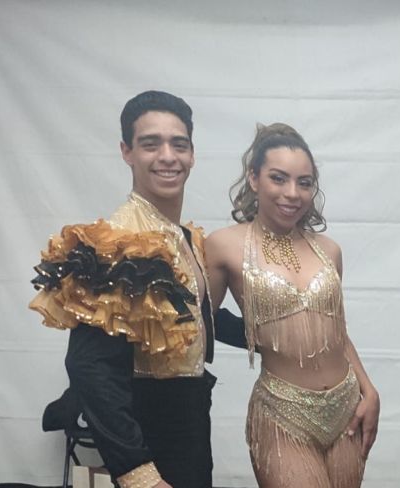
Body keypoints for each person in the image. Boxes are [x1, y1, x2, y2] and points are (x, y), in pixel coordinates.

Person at [30, 90, 246, 488]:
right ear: (126, 152)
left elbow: (197, 317)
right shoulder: (119, 242)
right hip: (149, 431)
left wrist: (279, 337)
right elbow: (89, 366)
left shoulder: (186, 237)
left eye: (178, 144)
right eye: (151, 144)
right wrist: (138, 473)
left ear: (192, 155)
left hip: (190, 424)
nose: (168, 156)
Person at [204, 122, 379, 488]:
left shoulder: (329, 250)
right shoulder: (223, 246)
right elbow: (201, 323)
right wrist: (257, 335)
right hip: (283, 414)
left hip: (347, 408)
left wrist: (369, 390)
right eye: (278, 179)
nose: (292, 193)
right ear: (254, 178)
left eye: (304, 182)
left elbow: (337, 332)